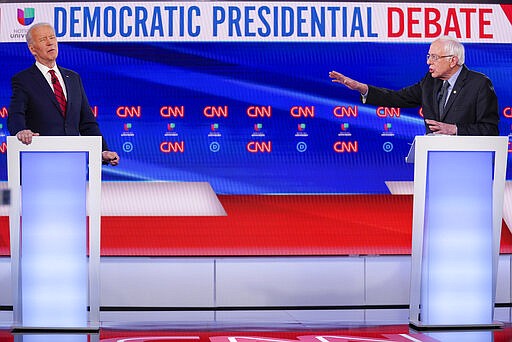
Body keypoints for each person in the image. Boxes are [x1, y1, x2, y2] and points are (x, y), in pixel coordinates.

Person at [329, 36, 499, 136]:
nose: (428, 62)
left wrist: (455, 129)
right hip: (434, 159)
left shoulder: (479, 84)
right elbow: (397, 98)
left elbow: (490, 129)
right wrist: (362, 88)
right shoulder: (430, 82)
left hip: (469, 162)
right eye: (428, 56)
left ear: (453, 60)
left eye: (434, 57)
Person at [8, 22, 119, 166]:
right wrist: (20, 131)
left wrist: (102, 151)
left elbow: (87, 122)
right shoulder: (24, 79)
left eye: (52, 38)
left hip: (73, 162)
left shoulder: (73, 78)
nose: (50, 43)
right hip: (39, 162)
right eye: (43, 40)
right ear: (32, 49)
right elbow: (16, 113)